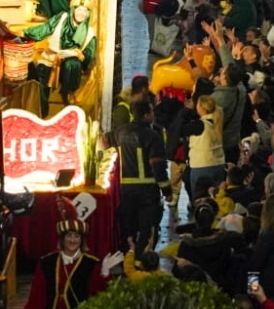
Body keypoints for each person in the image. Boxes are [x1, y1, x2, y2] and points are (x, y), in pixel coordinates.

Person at [113, 100, 169, 252]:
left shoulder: (120, 132)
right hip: (147, 191)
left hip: (125, 190)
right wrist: (167, 191)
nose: (153, 114)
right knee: (147, 228)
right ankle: (143, 258)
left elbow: (105, 145)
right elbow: (158, 166)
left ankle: (128, 256)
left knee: (127, 226)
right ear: (146, 115)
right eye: (151, 111)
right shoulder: (152, 136)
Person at [25, 0, 98, 108]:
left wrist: (80, 55)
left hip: (68, 68)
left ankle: (67, 93)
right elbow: (45, 28)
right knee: (41, 78)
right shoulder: (62, 18)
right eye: (79, 9)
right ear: (73, 10)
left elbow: (87, 58)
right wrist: (26, 34)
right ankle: (42, 108)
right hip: (51, 58)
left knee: (73, 64)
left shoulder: (90, 33)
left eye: (85, 11)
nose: (81, 14)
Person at [23, 219, 108, 309]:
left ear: (82, 240)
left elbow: (99, 296)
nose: (72, 240)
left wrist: (104, 273)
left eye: (77, 236)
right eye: (68, 235)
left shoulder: (91, 263)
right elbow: (36, 297)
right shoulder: (47, 262)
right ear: (62, 238)